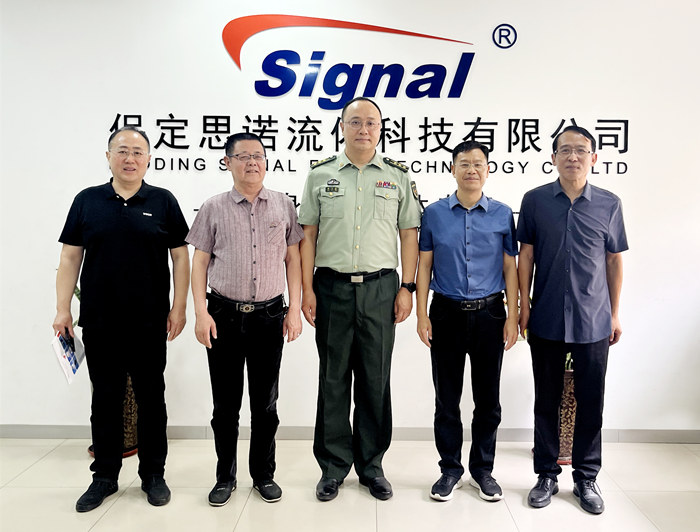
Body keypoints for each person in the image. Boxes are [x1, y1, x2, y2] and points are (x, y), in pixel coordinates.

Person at [53, 126, 190, 512]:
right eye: (122, 150)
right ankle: (105, 476)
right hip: (100, 320)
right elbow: (69, 257)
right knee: (105, 399)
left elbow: (181, 256)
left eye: (138, 152)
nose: (130, 158)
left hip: (150, 321)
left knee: (152, 399)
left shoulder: (162, 201)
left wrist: (179, 307)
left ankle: (153, 475)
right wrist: (62, 308)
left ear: (149, 159)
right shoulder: (88, 201)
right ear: (109, 156)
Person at [298, 97, 422, 502]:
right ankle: (333, 468)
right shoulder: (320, 175)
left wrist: (407, 287)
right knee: (333, 379)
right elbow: (308, 235)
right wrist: (306, 289)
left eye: (371, 122)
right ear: (342, 127)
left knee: (375, 379)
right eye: (355, 122)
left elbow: (409, 234)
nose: (363, 129)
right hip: (331, 287)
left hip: (381, 289)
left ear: (381, 129)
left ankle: (372, 466)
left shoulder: (397, 176)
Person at [187, 132, 303, 506]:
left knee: (265, 405)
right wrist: (200, 312)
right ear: (228, 162)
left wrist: (294, 309)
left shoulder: (283, 205)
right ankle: (225, 477)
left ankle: (263, 475)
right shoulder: (213, 207)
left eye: (258, 156)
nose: (252, 163)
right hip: (223, 315)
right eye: (243, 157)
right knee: (225, 406)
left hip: (269, 316)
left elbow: (293, 259)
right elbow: (199, 263)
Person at [517, 125, 627, 514]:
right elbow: (526, 256)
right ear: (553, 158)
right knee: (546, 399)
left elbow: (614, 260)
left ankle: (586, 477)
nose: (573, 156)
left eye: (581, 150)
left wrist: (614, 313)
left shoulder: (609, 204)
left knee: (591, 401)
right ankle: (546, 475)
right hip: (546, 316)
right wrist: (524, 306)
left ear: (593, 158)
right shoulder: (534, 201)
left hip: (593, 320)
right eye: (565, 150)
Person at [416, 141, 519, 503]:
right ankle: (450, 469)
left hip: (491, 314)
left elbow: (510, 268)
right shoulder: (435, 214)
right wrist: (422, 313)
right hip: (446, 313)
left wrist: (513, 316)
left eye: (478, 164)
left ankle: (482, 471)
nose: (471, 170)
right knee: (447, 400)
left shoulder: (502, 214)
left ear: (488, 170)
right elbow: (424, 265)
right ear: (453, 169)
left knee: (488, 400)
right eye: (464, 164)